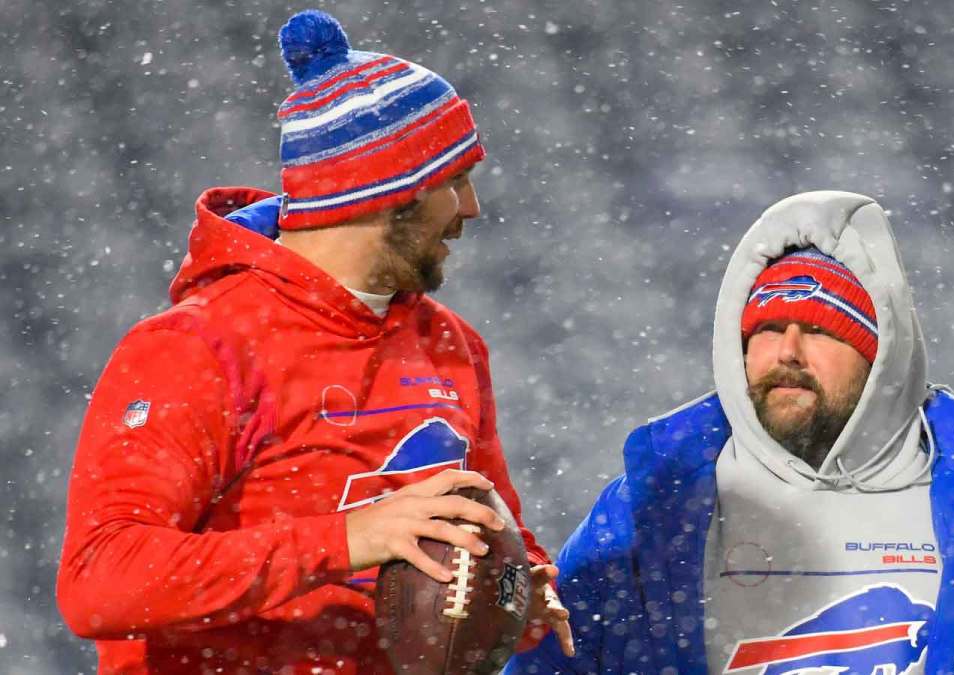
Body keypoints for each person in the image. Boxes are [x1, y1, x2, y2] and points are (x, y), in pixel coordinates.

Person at [57, 10, 571, 673]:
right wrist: (346, 538)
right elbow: (100, 581)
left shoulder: (452, 344)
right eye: (454, 179)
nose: (470, 207)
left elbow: (494, 528)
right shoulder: (196, 346)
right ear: (387, 190)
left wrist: (521, 588)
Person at [507, 191, 954, 674]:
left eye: (821, 329)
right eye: (764, 328)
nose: (787, 349)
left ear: (884, 358)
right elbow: (547, 661)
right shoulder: (653, 506)